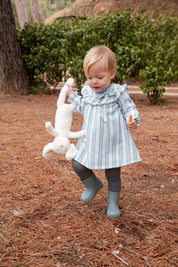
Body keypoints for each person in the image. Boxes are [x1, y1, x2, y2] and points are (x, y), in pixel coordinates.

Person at [67, 45, 141, 218]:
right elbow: (84, 108)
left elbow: (129, 108)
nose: (94, 81)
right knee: (77, 164)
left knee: (113, 174)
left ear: (112, 73)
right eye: (90, 77)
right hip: (90, 141)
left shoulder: (117, 92)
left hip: (112, 142)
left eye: (100, 77)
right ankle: (93, 184)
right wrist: (72, 95)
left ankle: (113, 204)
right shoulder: (88, 91)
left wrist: (133, 120)